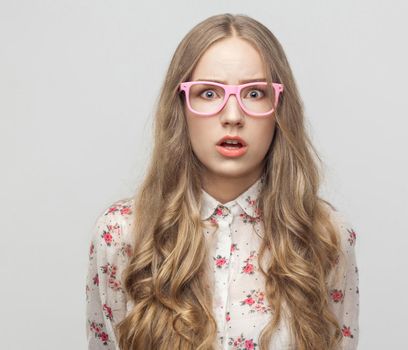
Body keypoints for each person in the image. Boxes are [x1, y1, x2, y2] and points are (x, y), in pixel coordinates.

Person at [85, 13, 359, 350]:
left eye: (255, 93)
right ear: (181, 106)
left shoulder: (325, 236)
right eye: (210, 94)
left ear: (279, 108)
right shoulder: (123, 233)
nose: (232, 116)